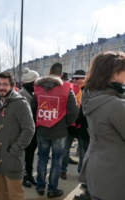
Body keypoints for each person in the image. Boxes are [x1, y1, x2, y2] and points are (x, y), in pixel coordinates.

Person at [78, 51, 125, 200]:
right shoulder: (116, 105)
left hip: (97, 169)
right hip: (114, 175)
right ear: (113, 74)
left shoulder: (92, 95)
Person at [33, 62, 79, 198]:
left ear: (49, 73)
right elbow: (74, 111)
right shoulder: (66, 88)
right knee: (56, 161)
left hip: (42, 129)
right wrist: (65, 123)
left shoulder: (37, 87)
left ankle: (40, 187)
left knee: (42, 158)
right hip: (59, 131)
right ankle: (52, 189)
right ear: (61, 74)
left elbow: (33, 107)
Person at [0, 72, 35, 200]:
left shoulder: (20, 103)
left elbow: (29, 130)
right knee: (1, 193)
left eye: (5, 84)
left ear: (12, 85)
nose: (1, 87)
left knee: (16, 195)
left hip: (12, 159)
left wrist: (15, 150)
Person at [60, 70, 86, 180]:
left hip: (82, 126)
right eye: (74, 78)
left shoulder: (88, 90)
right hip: (70, 125)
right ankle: (63, 170)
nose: (75, 80)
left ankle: (81, 172)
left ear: (84, 79)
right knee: (65, 150)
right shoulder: (68, 88)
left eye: (78, 78)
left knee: (82, 151)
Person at [19, 68, 39, 188]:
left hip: (34, 129)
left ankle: (30, 174)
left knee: (31, 154)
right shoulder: (22, 94)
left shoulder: (32, 93)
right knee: (23, 155)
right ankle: (23, 176)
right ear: (31, 83)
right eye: (36, 82)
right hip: (25, 130)